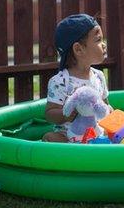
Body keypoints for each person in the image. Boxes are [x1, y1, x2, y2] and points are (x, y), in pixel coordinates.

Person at [43, 14, 110, 142]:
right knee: (51, 138)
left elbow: (105, 105)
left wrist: (109, 111)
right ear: (78, 49)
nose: (104, 44)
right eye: (98, 40)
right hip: (69, 135)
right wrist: (66, 114)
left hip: (96, 133)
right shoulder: (61, 81)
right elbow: (49, 113)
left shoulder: (98, 77)